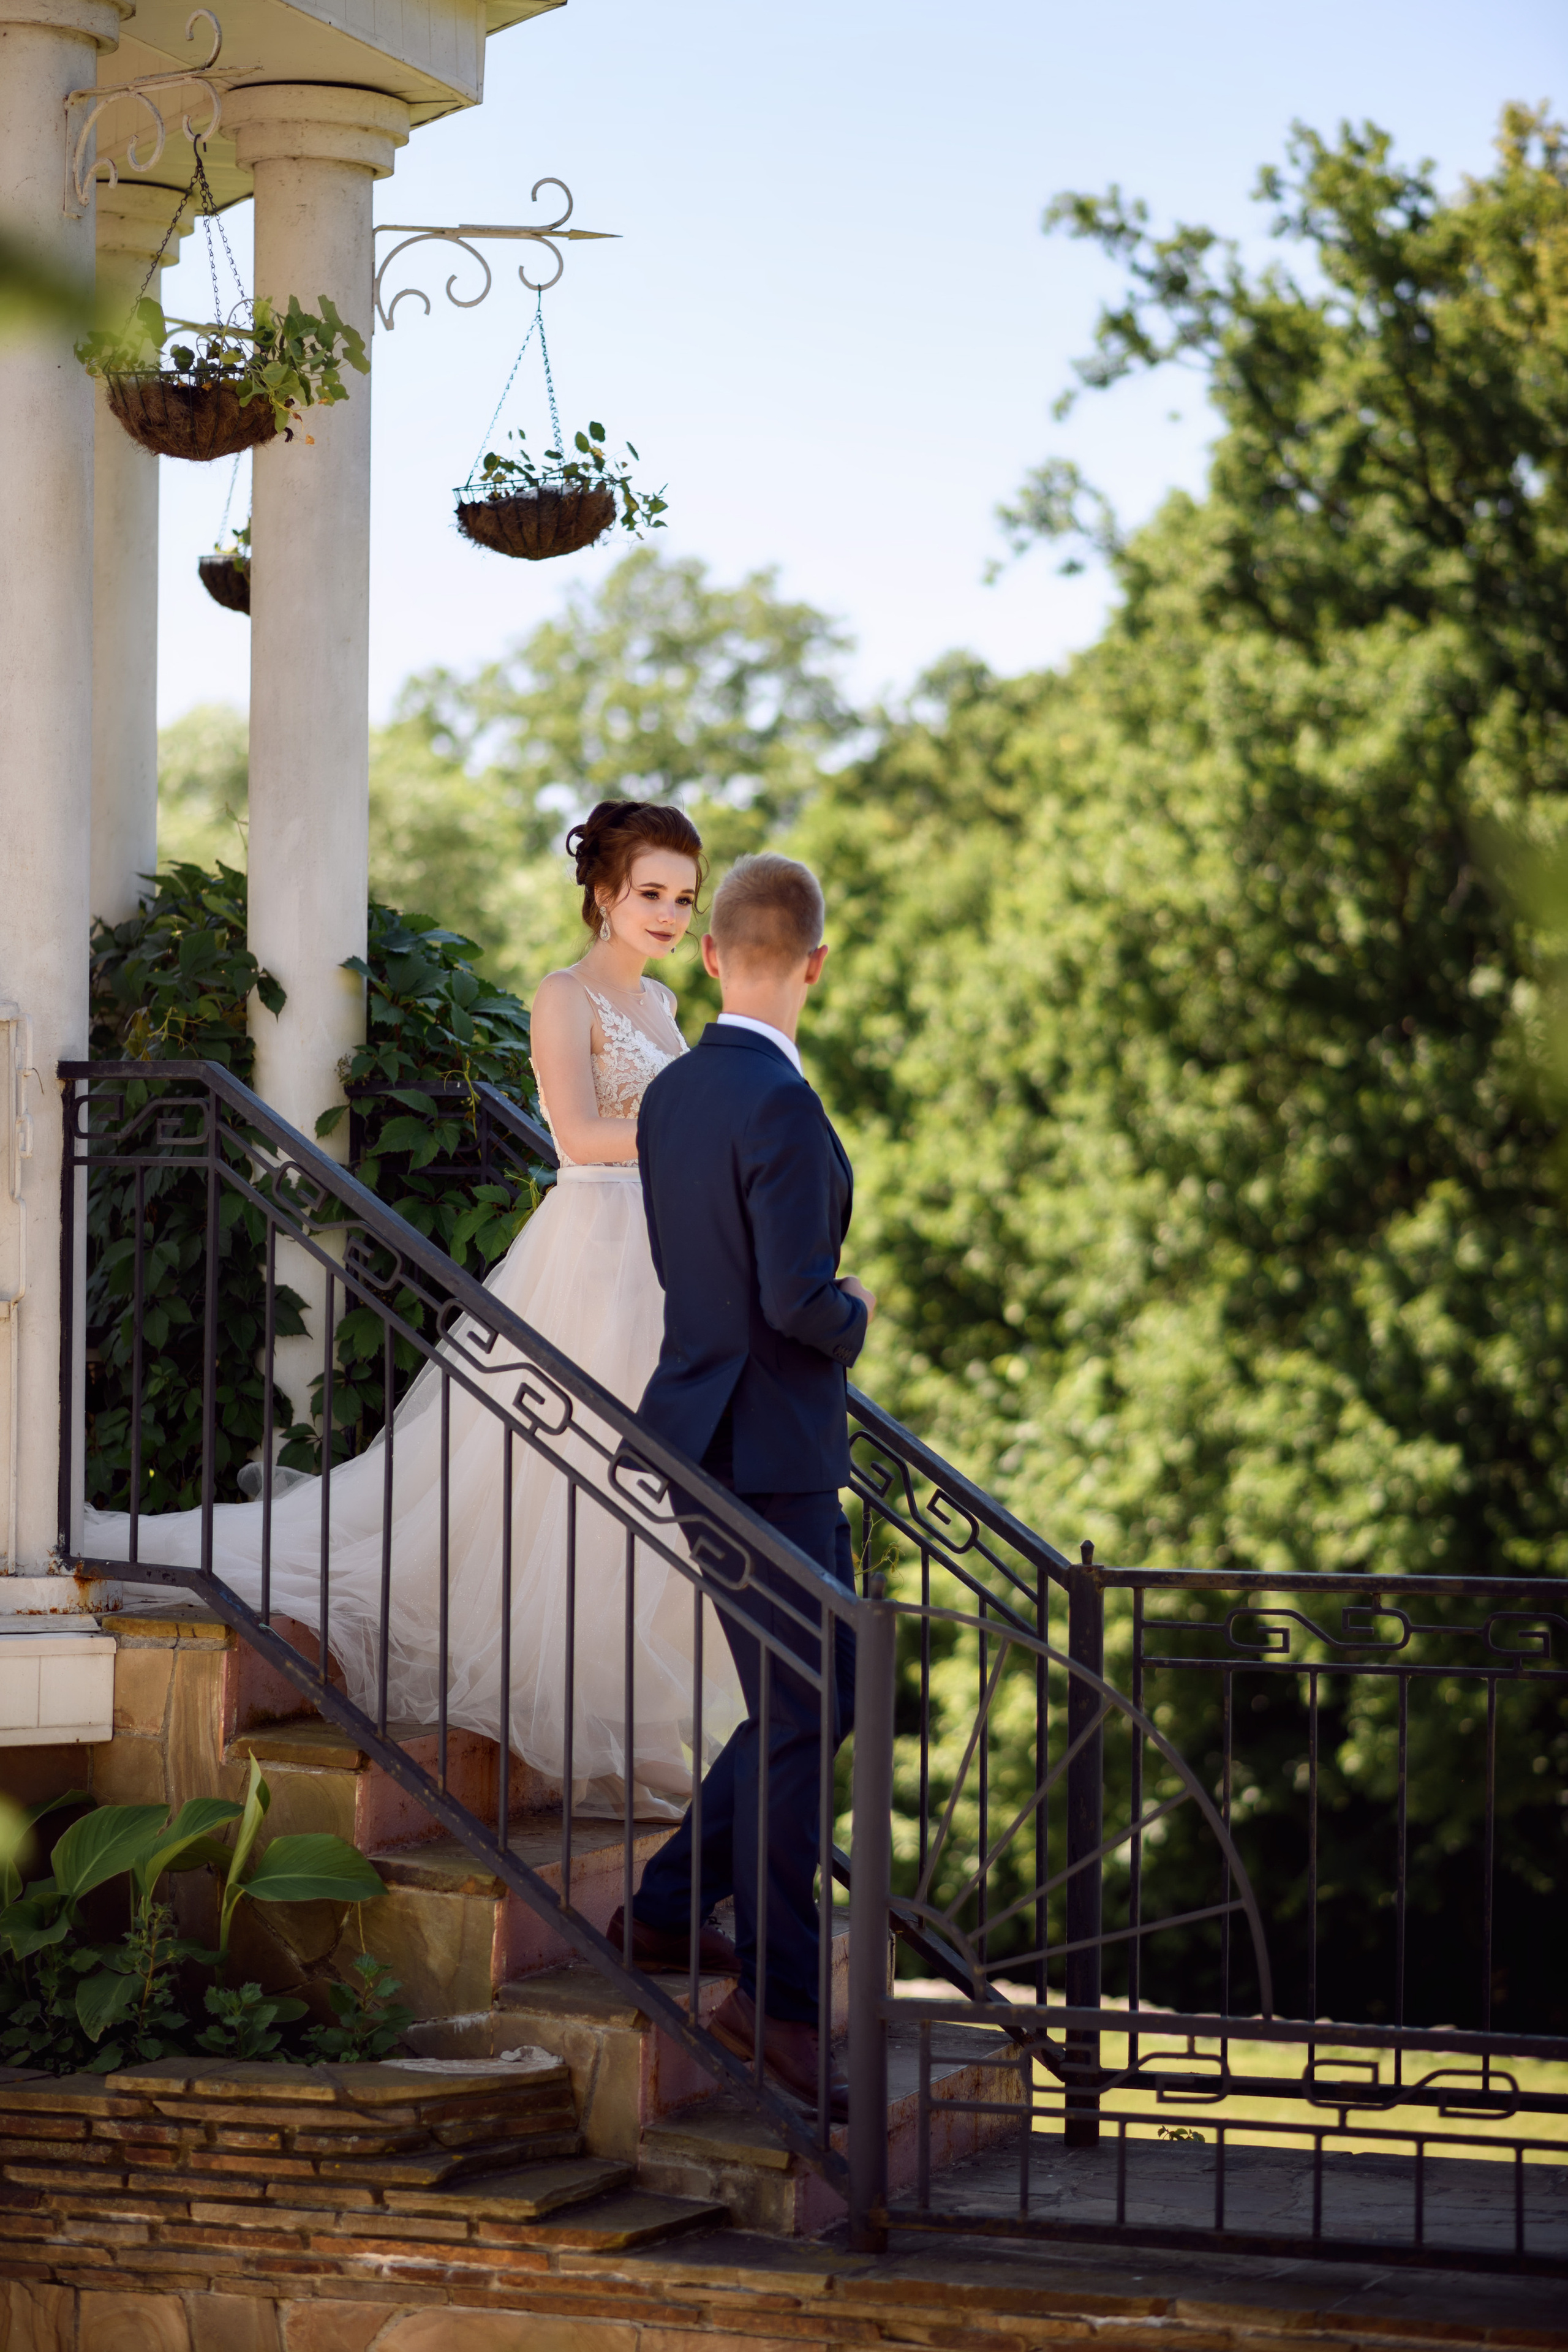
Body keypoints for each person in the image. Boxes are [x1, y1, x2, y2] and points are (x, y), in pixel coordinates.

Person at [85, 799, 744, 1820]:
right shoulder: (564, 996)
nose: (669, 913)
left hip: (658, 1259)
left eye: (685, 898)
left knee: (645, 1491)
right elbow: (576, 1134)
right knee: (559, 1479)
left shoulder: (662, 1005)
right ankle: (562, 1713)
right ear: (606, 893)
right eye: (651, 892)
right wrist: (701, 1127)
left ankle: (625, 1727)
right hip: (588, 1253)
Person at [614, 852, 875, 2117]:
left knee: (806, 1701)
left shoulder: (672, 1094)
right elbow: (792, 1300)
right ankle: (776, 2005)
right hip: (768, 1452)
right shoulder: (781, 1105)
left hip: (699, 1439)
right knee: (807, 1709)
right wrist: (854, 1310)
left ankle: (671, 1906)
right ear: (816, 963)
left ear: (713, 954)